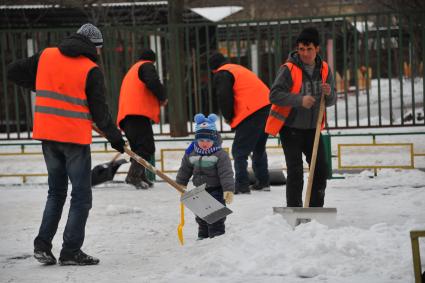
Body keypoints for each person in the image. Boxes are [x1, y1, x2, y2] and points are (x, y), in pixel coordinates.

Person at [7, 23, 125, 266]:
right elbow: (100, 113)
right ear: (93, 46)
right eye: (99, 49)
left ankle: (42, 245)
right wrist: (115, 137)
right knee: (81, 196)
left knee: (56, 192)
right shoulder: (91, 69)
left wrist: (41, 85)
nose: (99, 53)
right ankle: (71, 251)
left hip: (48, 135)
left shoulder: (46, 56)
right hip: (73, 138)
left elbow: (12, 71)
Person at [266, 27, 336, 207]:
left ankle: (315, 209)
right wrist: (299, 99)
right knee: (295, 171)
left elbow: (330, 101)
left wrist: (329, 94)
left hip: (313, 129)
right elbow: (274, 95)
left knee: (320, 170)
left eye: (309, 49)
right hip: (290, 129)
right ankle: (294, 210)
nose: (305, 53)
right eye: (301, 49)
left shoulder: (325, 69)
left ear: (317, 49)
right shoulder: (289, 69)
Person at [209, 52, 271, 194]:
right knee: (258, 147)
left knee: (239, 150)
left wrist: (228, 116)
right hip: (267, 107)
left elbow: (224, 96)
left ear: (213, 69)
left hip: (252, 111)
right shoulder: (237, 68)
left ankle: (242, 185)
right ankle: (263, 181)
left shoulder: (222, 73)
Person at [176, 113, 234, 239]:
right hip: (200, 191)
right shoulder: (191, 153)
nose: (205, 143)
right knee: (201, 216)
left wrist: (228, 189)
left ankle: (217, 236)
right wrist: (181, 182)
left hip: (216, 190)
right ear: (196, 139)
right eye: (201, 140)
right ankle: (203, 236)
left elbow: (226, 173)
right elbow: (185, 169)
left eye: (208, 140)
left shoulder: (220, 155)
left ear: (214, 139)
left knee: (216, 216)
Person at [117, 49, 167, 190]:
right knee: (146, 147)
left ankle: (139, 175)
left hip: (130, 115)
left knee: (140, 147)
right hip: (136, 114)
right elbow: (152, 81)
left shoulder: (134, 69)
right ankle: (133, 176)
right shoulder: (146, 66)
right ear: (153, 61)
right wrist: (162, 96)